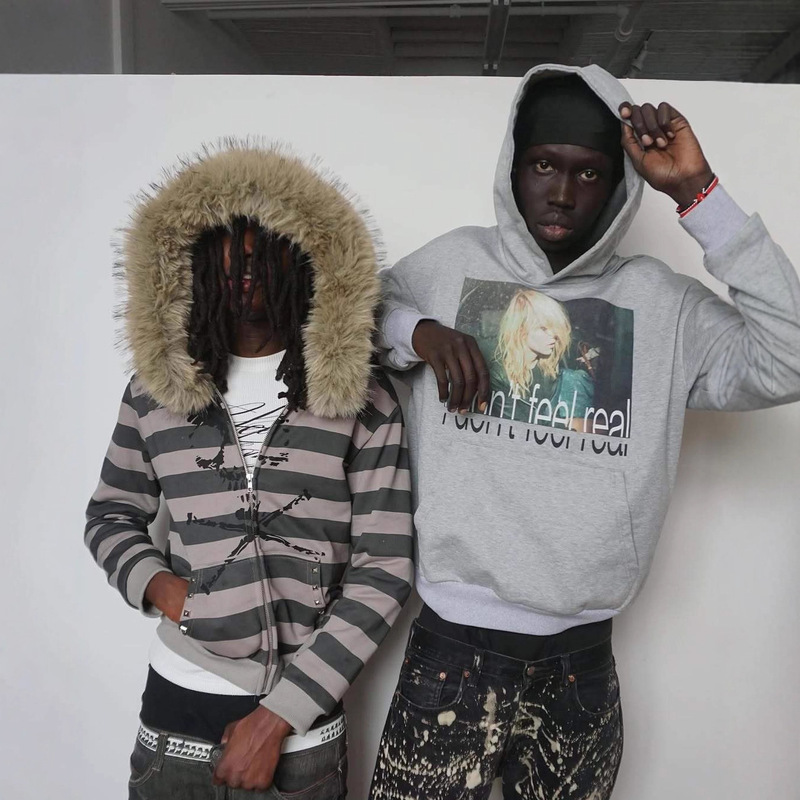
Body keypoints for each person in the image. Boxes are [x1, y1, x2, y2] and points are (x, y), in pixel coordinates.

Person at [369, 65, 800, 799]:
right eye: (543, 165)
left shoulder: (662, 305)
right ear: (514, 165)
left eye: (590, 172)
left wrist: (699, 193)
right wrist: (418, 332)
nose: (563, 193)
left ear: (619, 183)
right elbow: (345, 313)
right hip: (452, 649)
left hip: (582, 664)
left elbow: (787, 355)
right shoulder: (449, 265)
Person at [84, 143, 414, 799]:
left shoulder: (362, 398)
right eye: (224, 243)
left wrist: (279, 716)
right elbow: (110, 514)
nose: (243, 262)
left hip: (302, 737)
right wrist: (166, 590)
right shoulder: (155, 392)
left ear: (305, 252)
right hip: (173, 721)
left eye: (264, 242)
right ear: (194, 257)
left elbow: (385, 567)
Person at [491, 288, 594, 430]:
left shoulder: (551, 371)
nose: (554, 335)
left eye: (555, 328)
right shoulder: (499, 375)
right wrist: (571, 424)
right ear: (521, 329)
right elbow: (515, 430)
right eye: (544, 328)